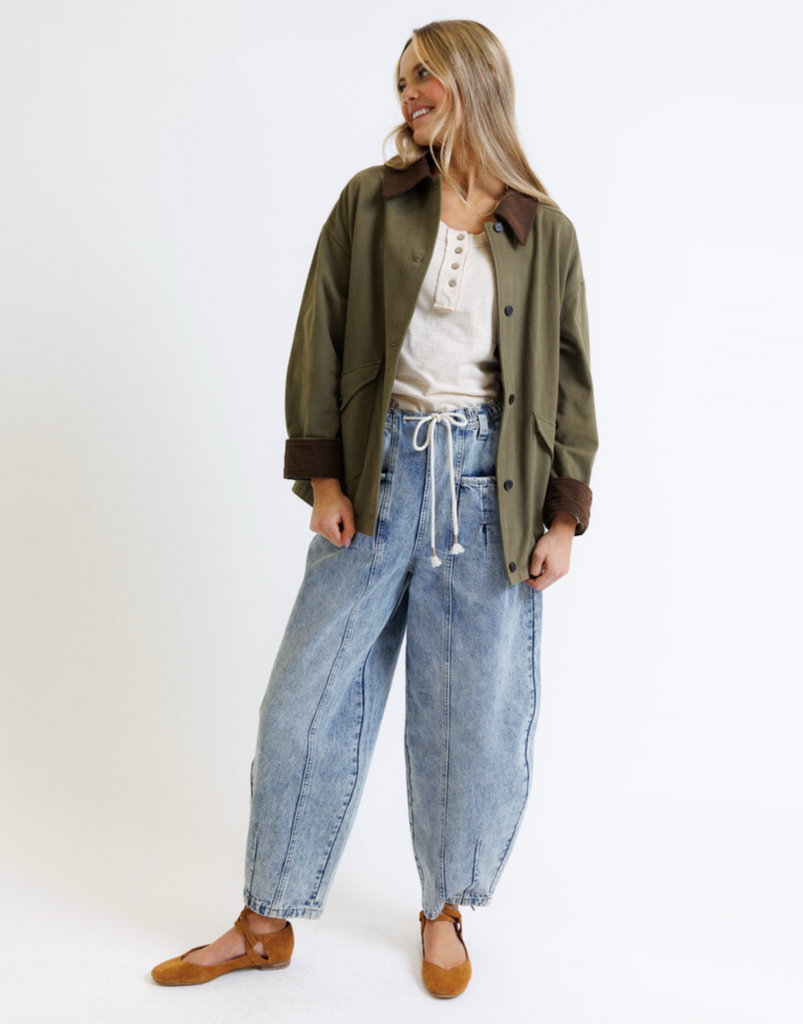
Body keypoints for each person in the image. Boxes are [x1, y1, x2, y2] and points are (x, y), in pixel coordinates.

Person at [151, 19, 598, 999]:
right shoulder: (372, 203)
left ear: (474, 81)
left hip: (491, 497)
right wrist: (325, 479)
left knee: (471, 715)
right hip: (382, 469)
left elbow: (568, 383)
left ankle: (446, 911)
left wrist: (562, 517)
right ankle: (264, 917)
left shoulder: (541, 230)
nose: (408, 93)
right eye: (401, 79)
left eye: (425, 74)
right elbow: (322, 330)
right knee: (306, 702)